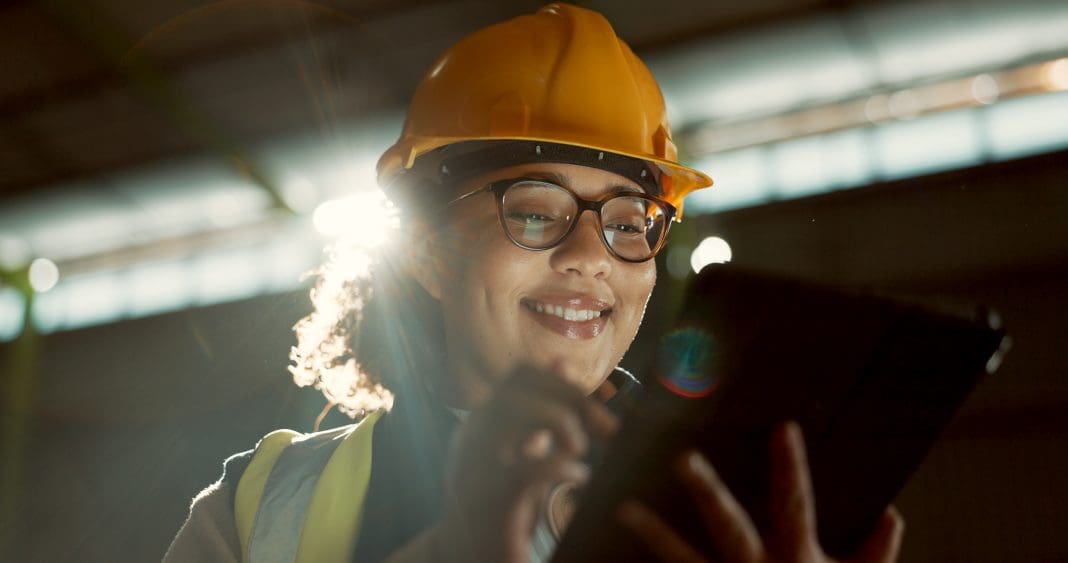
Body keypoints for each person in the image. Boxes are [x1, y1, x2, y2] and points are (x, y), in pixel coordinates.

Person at [165, 4, 904, 562]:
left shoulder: (743, 496)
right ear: (425, 251)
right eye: (534, 211)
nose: (590, 255)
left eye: (628, 221)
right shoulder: (261, 508)